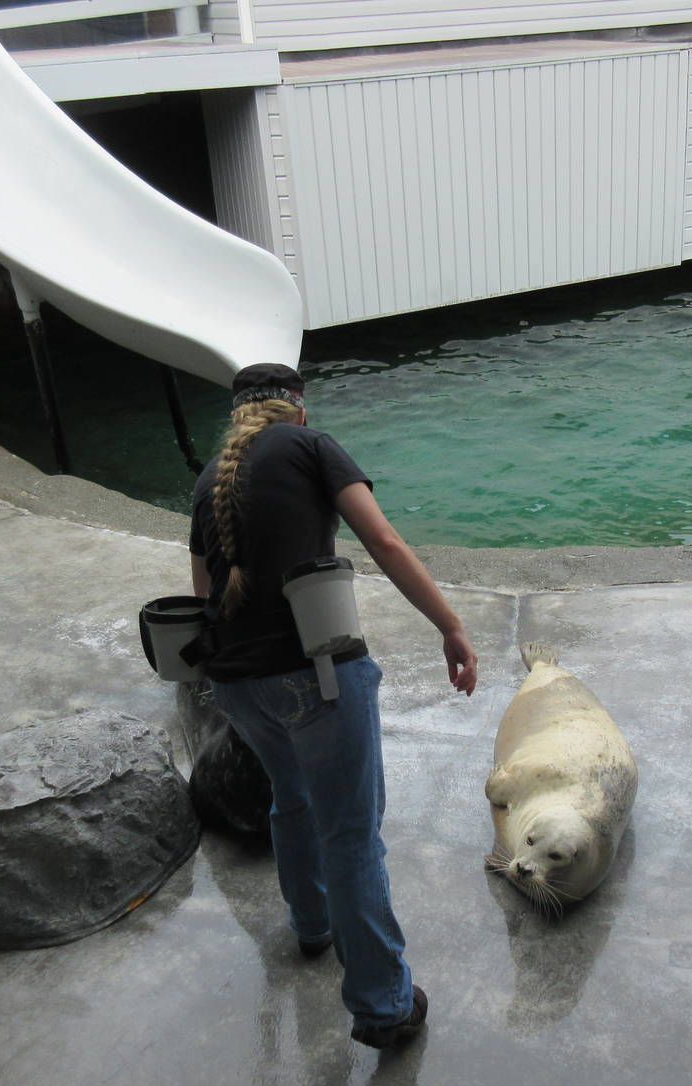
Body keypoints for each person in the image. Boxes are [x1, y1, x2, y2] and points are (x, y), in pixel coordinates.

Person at [187, 362, 478, 1049]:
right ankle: (383, 1006)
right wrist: (451, 626)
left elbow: (201, 591)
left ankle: (311, 927)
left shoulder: (210, 480)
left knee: (290, 799)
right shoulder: (310, 447)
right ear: (299, 409)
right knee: (351, 836)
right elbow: (383, 541)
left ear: (238, 416)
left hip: (237, 684)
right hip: (315, 675)